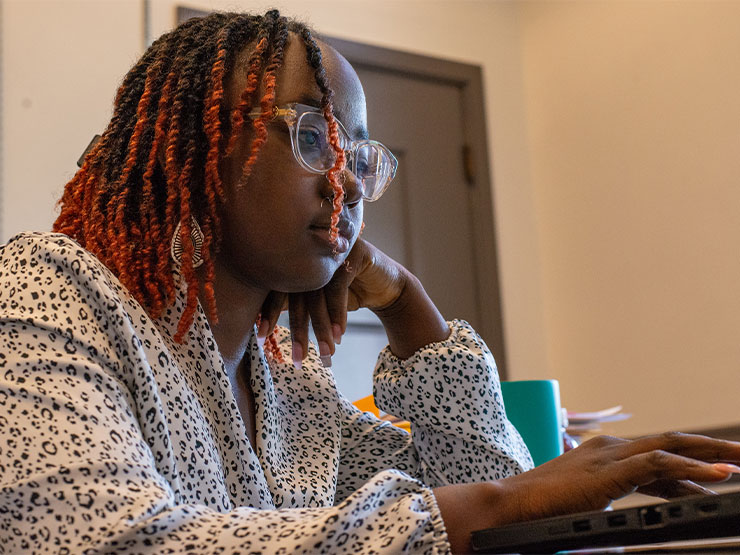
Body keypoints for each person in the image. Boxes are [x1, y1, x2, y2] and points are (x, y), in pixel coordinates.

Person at [1, 10, 740, 554]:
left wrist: (406, 302)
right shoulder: (51, 290)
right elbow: (99, 539)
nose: (347, 181)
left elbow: (502, 506)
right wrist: (492, 501)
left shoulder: (290, 388)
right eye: (316, 137)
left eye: (360, 153)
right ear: (198, 142)